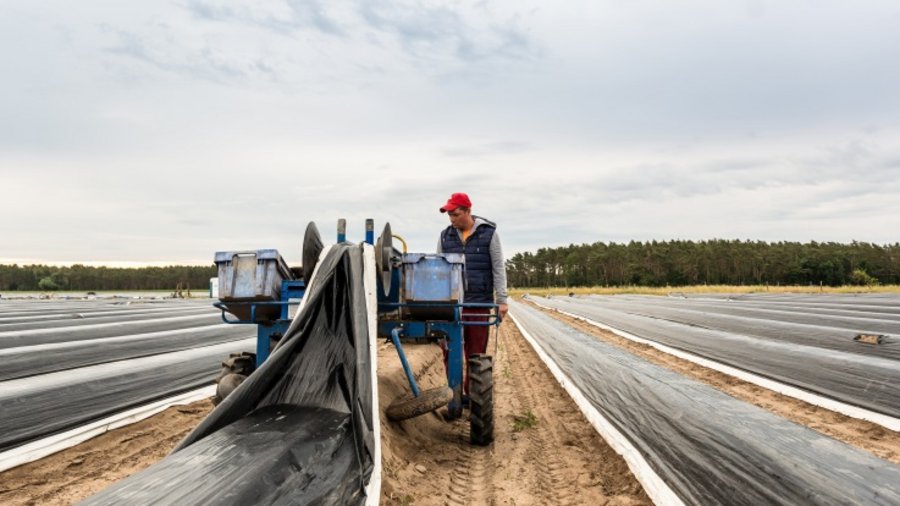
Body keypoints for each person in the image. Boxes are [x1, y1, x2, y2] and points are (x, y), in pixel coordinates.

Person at [436, 192, 508, 393]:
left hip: (478, 302)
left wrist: (502, 300)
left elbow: (498, 268)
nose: (452, 219)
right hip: (452, 304)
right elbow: (440, 270)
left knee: (475, 353)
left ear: (468, 211)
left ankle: (471, 395)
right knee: (450, 352)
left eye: (456, 214)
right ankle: (454, 395)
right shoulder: (445, 236)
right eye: (449, 215)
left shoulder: (489, 234)